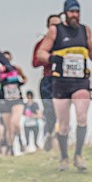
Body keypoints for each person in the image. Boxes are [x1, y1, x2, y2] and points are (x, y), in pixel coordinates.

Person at [36, 0, 92, 171]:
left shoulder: (85, 30)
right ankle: (64, 157)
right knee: (63, 124)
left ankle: (78, 155)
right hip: (61, 83)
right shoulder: (55, 30)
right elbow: (41, 53)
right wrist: (51, 58)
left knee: (81, 117)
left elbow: (91, 48)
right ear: (65, 13)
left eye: (77, 11)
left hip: (80, 81)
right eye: (71, 12)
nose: (75, 15)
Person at [32, 14, 62, 150]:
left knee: (62, 111)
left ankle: (61, 138)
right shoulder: (42, 43)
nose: (55, 27)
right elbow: (35, 61)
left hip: (64, 80)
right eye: (52, 25)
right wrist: (50, 58)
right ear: (48, 26)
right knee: (49, 109)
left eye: (58, 24)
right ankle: (49, 135)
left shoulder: (67, 41)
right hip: (48, 80)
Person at [0, 50, 27, 155]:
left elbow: (25, 78)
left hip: (17, 100)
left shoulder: (16, 69)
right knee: (8, 127)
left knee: (14, 122)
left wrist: (20, 83)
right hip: (5, 101)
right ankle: (10, 147)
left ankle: (20, 139)